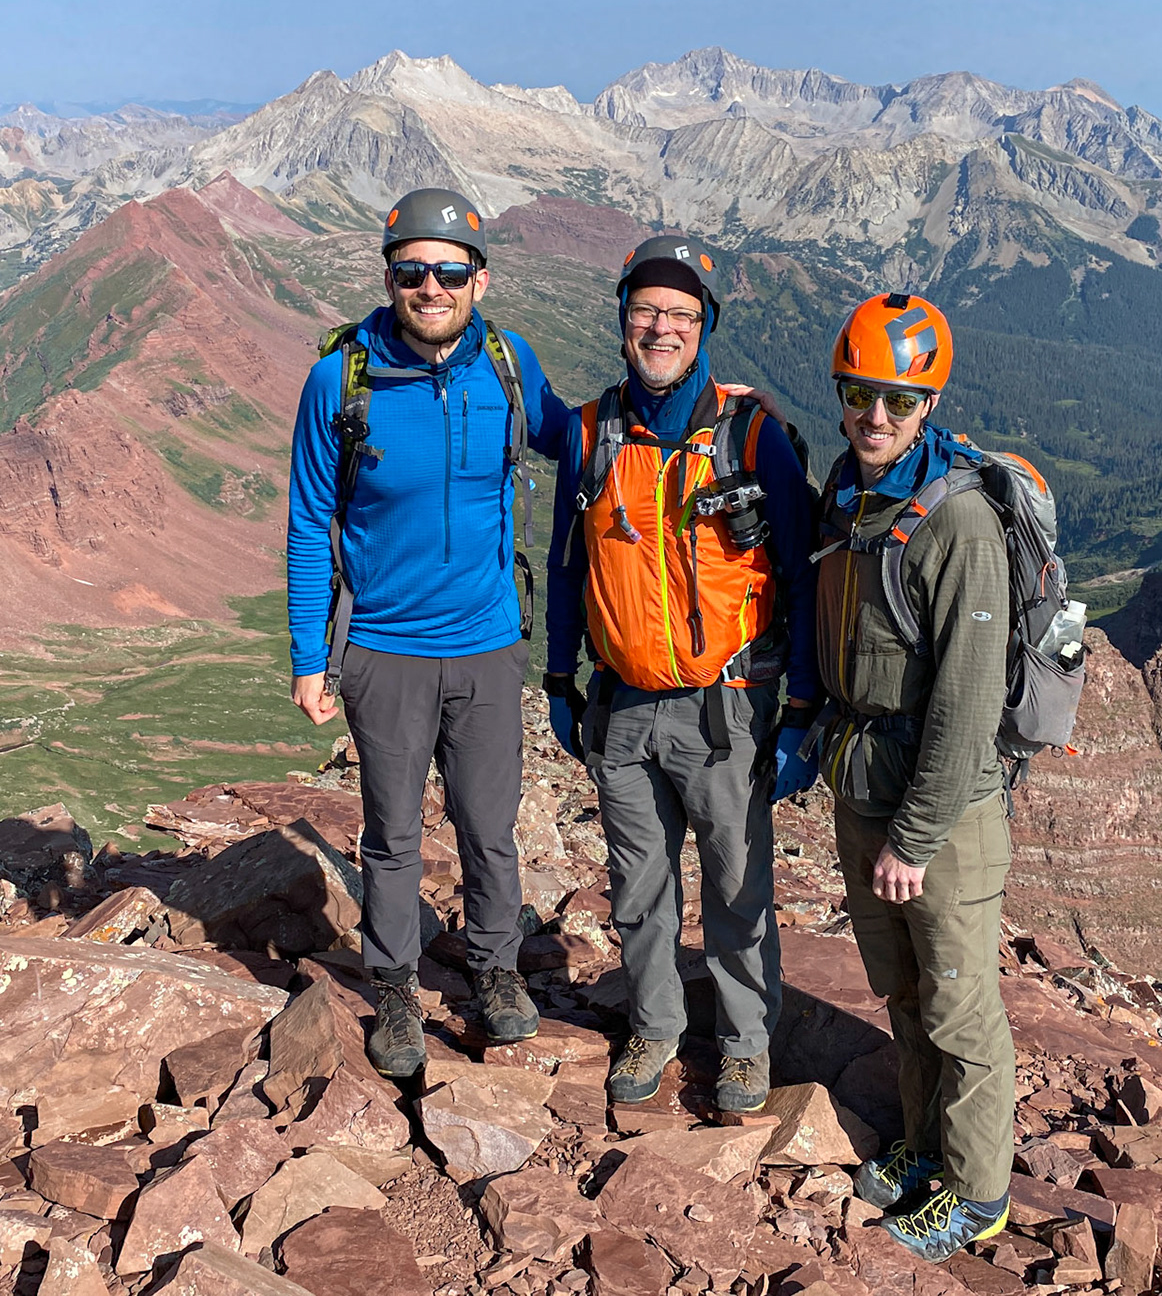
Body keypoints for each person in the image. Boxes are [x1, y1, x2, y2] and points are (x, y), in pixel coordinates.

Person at [287, 187, 573, 1078]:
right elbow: (307, 520)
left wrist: (699, 402)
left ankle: (494, 970)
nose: (431, 286)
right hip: (385, 647)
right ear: (390, 279)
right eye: (413, 271)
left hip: (488, 644)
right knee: (393, 833)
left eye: (450, 271)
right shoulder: (343, 377)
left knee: (490, 823)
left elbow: (577, 435)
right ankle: (397, 987)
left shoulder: (508, 362)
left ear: (478, 280)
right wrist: (308, 658)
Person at [542, 236, 819, 1115]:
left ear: (704, 330)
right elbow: (564, 564)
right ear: (623, 321)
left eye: (679, 316)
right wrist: (558, 676)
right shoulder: (592, 432)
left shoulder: (755, 436)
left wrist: (802, 703)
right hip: (621, 706)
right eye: (645, 312)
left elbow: (806, 573)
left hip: (725, 706)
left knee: (738, 887)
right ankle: (655, 1025)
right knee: (639, 885)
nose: (660, 328)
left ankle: (745, 1044)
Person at [807, 292, 1015, 1260]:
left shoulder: (960, 526)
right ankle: (927, 1146)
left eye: (897, 398)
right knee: (902, 990)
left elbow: (968, 712)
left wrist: (913, 838)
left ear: (926, 403)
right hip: (864, 787)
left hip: (939, 817)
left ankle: (978, 1196)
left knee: (960, 1001)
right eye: (860, 395)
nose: (876, 417)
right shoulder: (848, 496)